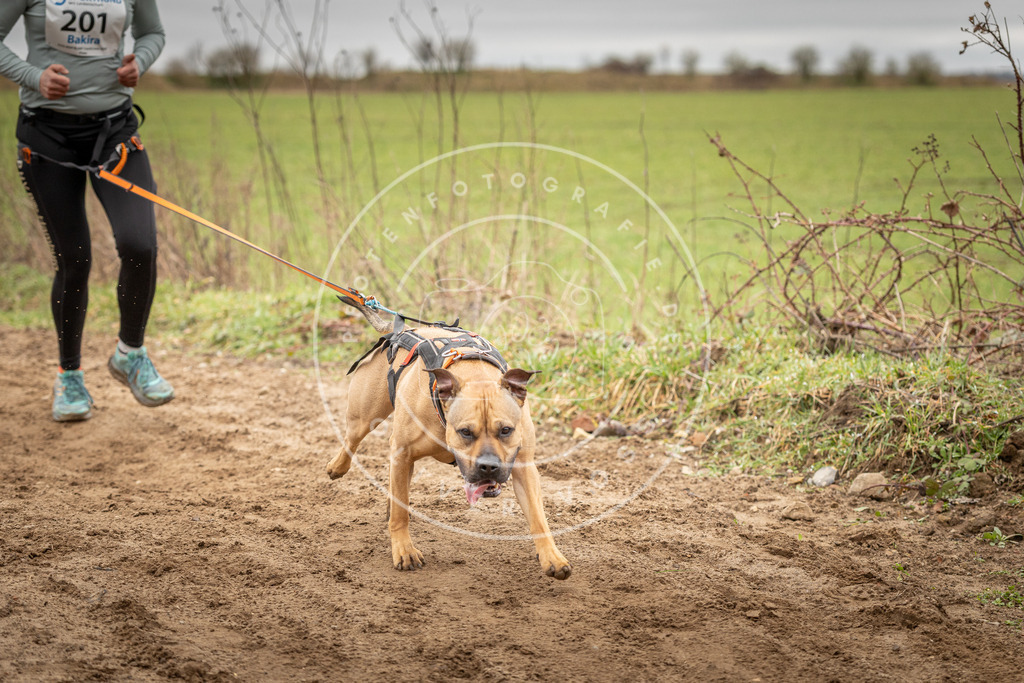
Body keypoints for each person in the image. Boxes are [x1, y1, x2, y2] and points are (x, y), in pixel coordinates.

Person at [0, 0, 173, 422]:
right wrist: (33, 76)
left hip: (115, 131)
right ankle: (69, 376)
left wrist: (140, 63)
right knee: (74, 259)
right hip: (46, 138)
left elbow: (153, 34)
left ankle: (130, 354)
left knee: (140, 245)